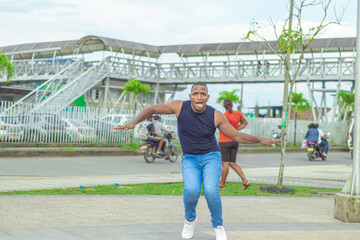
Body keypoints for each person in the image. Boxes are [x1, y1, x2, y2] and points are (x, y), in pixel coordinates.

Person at [115, 82, 282, 240]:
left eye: (203, 94)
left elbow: (236, 135)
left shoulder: (215, 115)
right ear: (191, 96)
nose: (199, 97)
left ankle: (218, 226)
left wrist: (261, 139)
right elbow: (152, 109)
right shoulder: (179, 107)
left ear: (208, 97)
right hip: (190, 158)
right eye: (196, 94)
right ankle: (190, 220)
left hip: (211, 156)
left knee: (210, 191)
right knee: (191, 190)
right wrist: (134, 122)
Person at [218, 99, 250, 191]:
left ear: (224, 106)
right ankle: (245, 181)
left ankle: (222, 185)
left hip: (224, 141)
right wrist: (236, 130)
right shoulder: (238, 114)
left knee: (225, 163)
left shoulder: (223, 116)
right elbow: (245, 122)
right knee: (232, 163)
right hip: (235, 141)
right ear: (232, 105)